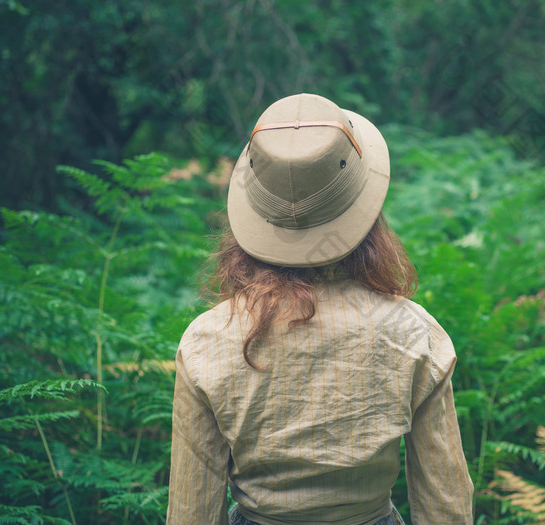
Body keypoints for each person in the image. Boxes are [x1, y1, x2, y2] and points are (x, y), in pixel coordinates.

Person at [167, 93, 474, 524]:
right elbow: (445, 505)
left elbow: (191, 511)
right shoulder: (413, 335)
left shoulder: (206, 341)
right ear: (366, 216)